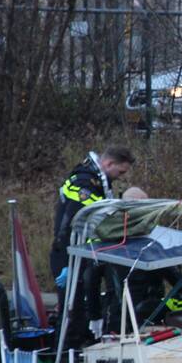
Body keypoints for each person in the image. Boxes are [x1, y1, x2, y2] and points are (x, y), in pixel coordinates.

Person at [51, 146, 134, 347]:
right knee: (71, 309)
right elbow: (69, 224)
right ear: (109, 163)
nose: (121, 176)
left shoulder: (96, 181)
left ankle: (75, 349)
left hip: (83, 253)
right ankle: (64, 357)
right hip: (69, 253)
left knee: (80, 307)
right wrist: (66, 262)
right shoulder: (85, 183)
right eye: (120, 171)